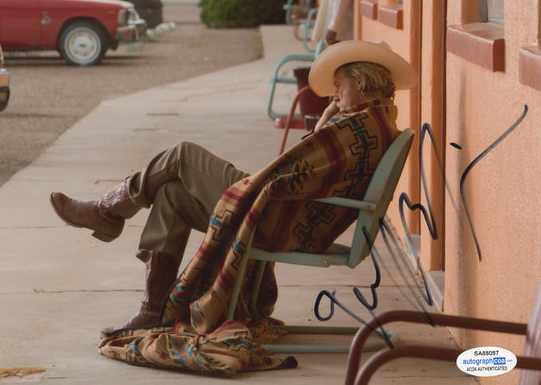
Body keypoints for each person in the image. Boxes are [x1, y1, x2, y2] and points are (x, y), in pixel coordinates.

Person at [50, 40, 417, 375]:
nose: (335, 94)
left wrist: (255, 178)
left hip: (275, 217)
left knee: (182, 155)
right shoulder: (372, 122)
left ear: (363, 85)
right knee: (173, 196)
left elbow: (290, 166)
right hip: (287, 214)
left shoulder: (355, 127)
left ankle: (108, 210)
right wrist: (326, 118)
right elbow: (309, 162)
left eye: (340, 85)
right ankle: (153, 309)